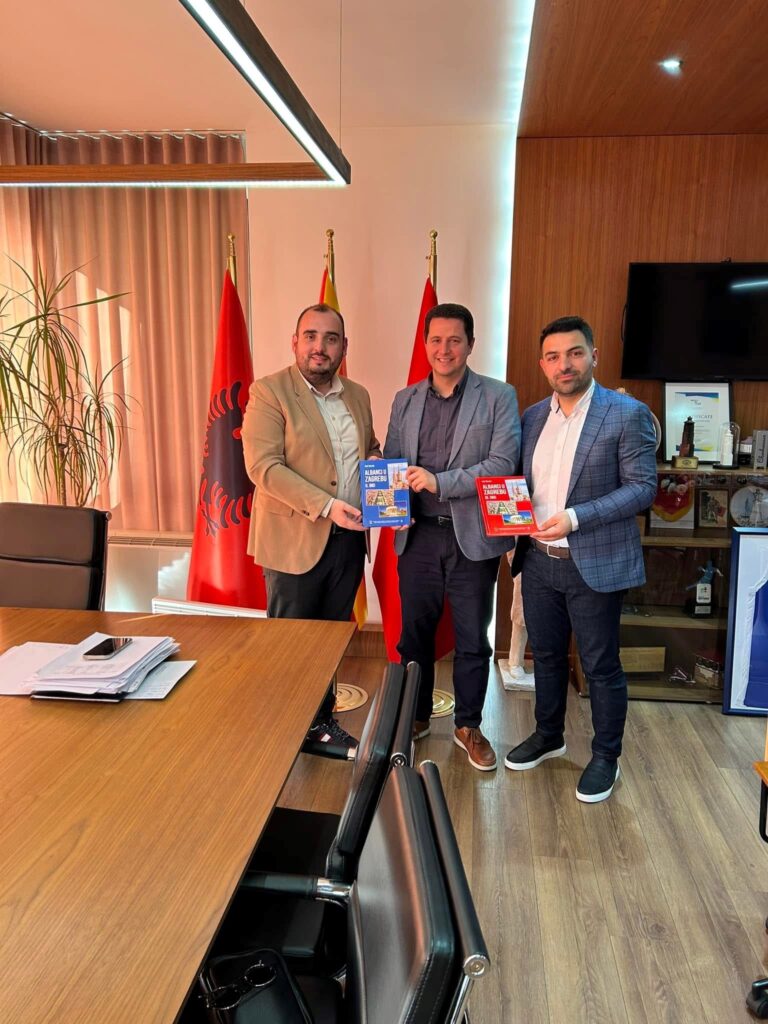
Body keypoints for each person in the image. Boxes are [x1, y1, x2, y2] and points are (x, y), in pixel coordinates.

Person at [505, 315, 657, 802]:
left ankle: (606, 756)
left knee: (600, 666)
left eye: (574, 353)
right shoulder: (532, 417)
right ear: (542, 364)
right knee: (546, 657)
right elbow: (520, 485)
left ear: (594, 355)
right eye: (553, 356)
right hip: (538, 561)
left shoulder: (626, 414)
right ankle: (549, 735)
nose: (564, 364)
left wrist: (575, 518)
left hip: (594, 561)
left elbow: (642, 489)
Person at [384, 302, 521, 771]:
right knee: (413, 637)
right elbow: (393, 461)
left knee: (473, 639)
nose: (445, 349)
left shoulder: (498, 396)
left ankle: (468, 726)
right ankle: (415, 717)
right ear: (425, 344)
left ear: (471, 344)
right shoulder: (405, 399)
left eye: (455, 340)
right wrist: (390, 502)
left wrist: (439, 482)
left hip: (472, 539)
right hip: (417, 537)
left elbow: (502, 465)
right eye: (436, 340)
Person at [242, 303, 381, 747]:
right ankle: (289, 731)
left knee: (330, 640)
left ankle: (320, 725)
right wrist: (326, 505)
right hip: (294, 540)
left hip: (349, 540)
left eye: (331, 338)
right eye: (311, 336)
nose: (320, 347)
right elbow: (264, 467)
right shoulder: (270, 392)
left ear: (344, 347)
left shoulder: (357, 395)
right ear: (295, 342)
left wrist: (378, 471)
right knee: (292, 645)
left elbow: (370, 446)